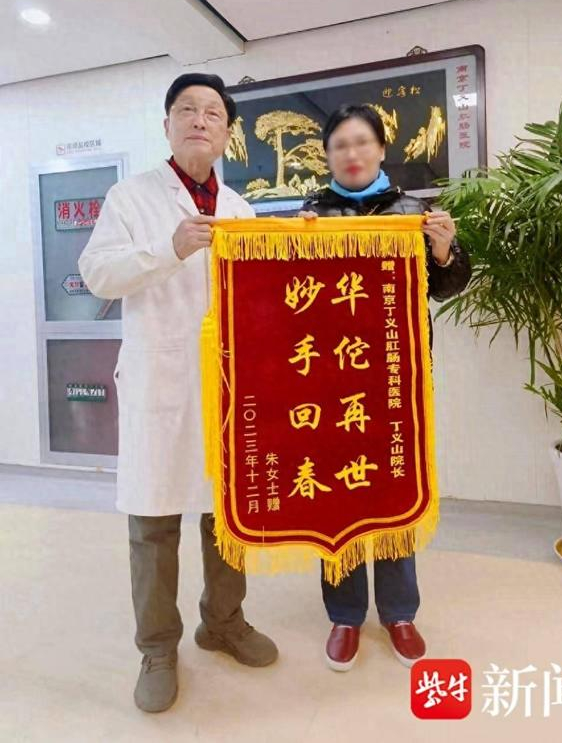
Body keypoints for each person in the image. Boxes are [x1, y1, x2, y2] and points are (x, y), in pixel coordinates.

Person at [79, 73, 278, 713]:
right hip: (160, 382)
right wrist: (169, 248)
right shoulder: (131, 197)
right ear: (166, 124)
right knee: (154, 520)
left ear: (227, 132)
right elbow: (96, 274)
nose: (199, 119)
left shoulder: (241, 209)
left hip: (228, 388)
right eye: (186, 109)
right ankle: (158, 648)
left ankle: (223, 622)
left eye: (213, 112)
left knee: (228, 517)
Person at [299, 103, 471, 671]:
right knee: (338, 495)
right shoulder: (312, 214)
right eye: (340, 146)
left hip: (396, 378)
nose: (351, 154)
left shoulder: (413, 212)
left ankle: (399, 612)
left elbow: (446, 286)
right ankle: (345, 615)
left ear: (380, 149)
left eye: (361, 142)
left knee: (395, 490)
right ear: (328, 156)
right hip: (330, 380)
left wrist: (443, 248)